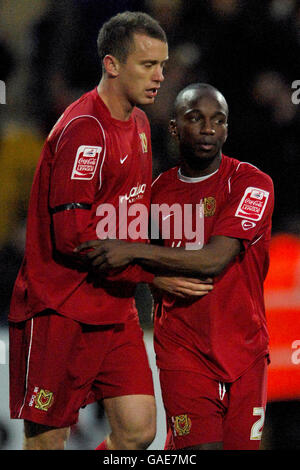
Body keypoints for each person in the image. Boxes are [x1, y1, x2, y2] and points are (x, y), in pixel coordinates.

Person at [76, 83, 275, 450]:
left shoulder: (251, 184)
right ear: (173, 127)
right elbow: (107, 256)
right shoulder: (154, 194)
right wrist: (152, 275)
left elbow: (214, 259)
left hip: (245, 351)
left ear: (227, 129)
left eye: (218, 120)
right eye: (195, 118)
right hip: (183, 349)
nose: (208, 129)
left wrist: (135, 252)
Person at [9, 11, 171, 451]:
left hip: (113, 307)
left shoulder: (138, 124)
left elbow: (129, 216)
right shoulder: (85, 130)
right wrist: (155, 270)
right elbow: (73, 237)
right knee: (48, 441)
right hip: (60, 307)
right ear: (112, 64)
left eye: (162, 65)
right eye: (147, 65)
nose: (159, 77)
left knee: (138, 430)